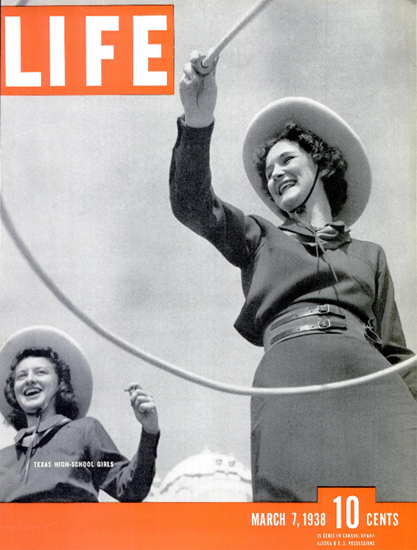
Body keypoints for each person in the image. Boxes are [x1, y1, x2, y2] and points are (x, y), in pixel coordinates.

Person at [169, 51, 417, 502]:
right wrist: (197, 119)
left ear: (320, 160)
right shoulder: (259, 237)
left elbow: (399, 355)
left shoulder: (370, 255)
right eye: (268, 172)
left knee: (397, 513)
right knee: (293, 517)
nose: (276, 174)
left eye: (286, 160)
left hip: (374, 390)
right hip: (291, 381)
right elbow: (192, 204)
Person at [0, 326, 160, 502]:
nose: (29, 379)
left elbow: (131, 489)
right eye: (21, 376)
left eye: (40, 372)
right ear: (13, 391)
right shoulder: (3, 459)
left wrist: (149, 431)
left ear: (60, 384)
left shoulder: (83, 431)